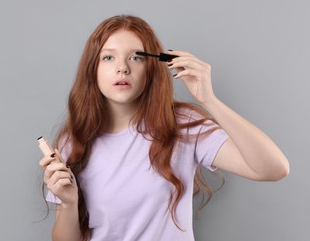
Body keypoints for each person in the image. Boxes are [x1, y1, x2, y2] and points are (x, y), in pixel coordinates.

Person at [38, 15, 289, 241]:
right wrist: (69, 203)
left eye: (136, 57)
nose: (122, 67)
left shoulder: (182, 124)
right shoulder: (74, 141)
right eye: (108, 57)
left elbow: (273, 169)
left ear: (152, 68)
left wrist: (208, 99)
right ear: (92, 69)